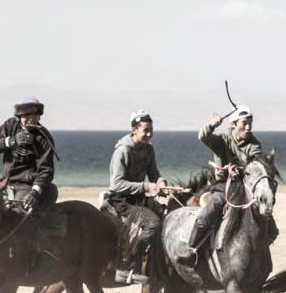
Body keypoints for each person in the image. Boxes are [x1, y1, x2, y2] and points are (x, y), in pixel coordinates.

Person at [180, 106, 267, 266]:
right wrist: (212, 125)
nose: (248, 128)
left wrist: (240, 171)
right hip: (222, 186)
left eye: (250, 123)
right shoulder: (221, 140)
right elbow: (203, 136)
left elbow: (254, 164)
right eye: (244, 123)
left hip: (244, 188)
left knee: (267, 220)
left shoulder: (254, 144)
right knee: (209, 212)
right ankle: (191, 250)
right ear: (232, 124)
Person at [104, 111, 170, 280]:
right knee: (153, 224)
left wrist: (161, 183)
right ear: (134, 130)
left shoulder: (149, 149)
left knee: (168, 215)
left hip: (138, 198)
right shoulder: (123, 151)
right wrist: (147, 186)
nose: (149, 134)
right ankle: (128, 264)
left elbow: (154, 173)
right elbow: (116, 184)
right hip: (121, 200)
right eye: (145, 130)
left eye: (151, 130)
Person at [0, 96, 58, 214]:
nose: (30, 119)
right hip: (4, 183)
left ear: (39, 116)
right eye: (26, 116)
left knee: (16, 215)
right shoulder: (10, 125)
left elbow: (46, 170)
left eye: (34, 115)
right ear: (19, 116)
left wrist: (35, 192)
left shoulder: (44, 138)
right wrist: (11, 141)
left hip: (27, 186)